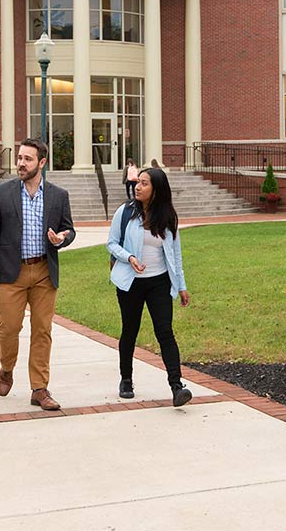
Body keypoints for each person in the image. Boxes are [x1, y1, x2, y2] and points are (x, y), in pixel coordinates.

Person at [0, 138, 76, 411]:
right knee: (9, 328)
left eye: (27, 159)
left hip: (45, 271)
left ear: (42, 163)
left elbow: (69, 230)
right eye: (20, 158)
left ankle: (39, 388)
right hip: (13, 272)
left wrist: (61, 238)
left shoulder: (58, 196)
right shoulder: (2, 192)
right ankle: (7, 368)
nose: (21, 163)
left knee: (42, 331)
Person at [107, 167, 193, 407]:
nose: (138, 186)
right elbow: (111, 243)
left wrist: (182, 286)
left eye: (144, 183)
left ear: (156, 189)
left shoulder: (167, 217)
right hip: (131, 282)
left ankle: (177, 387)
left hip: (159, 282)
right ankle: (126, 379)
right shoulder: (125, 212)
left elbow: (175, 254)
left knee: (165, 332)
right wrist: (129, 257)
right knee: (130, 330)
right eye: (138, 182)